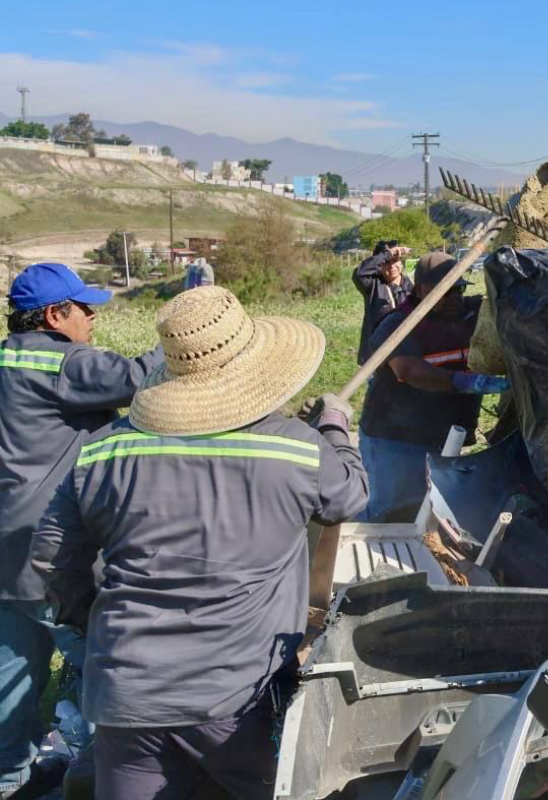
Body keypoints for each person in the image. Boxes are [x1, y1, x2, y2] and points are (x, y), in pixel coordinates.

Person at [30, 286, 369, 799]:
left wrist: (92, 619)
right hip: (237, 698)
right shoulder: (296, 449)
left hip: (127, 693)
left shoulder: (102, 451)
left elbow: (51, 555)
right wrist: (335, 426)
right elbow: (350, 494)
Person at [0, 263, 164, 799]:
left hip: (5, 552)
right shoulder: (63, 361)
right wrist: (185, 336)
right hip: (51, 555)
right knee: (105, 668)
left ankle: (11, 783)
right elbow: (142, 378)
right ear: (54, 314)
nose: (92, 319)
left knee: (12, 678)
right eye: (83, 308)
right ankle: (100, 779)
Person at [357, 252, 507, 522]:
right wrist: (464, 381)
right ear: (419, 290)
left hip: (442, 434)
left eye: (458, 289)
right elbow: (408, 370)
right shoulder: (399, 324)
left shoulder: (472, 315)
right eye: (444, 292)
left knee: (431, 510)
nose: (454, 298)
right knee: (392, 510)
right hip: (395, 437)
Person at [351, 239, 411, 364]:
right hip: (377, 353)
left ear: (402, 263)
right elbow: (359, 273)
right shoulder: (372, 285)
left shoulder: (411, 286)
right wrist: (387, 254)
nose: (392, 266)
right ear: (379, 265)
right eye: (386, 262)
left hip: (406, 352)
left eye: (395, 261)